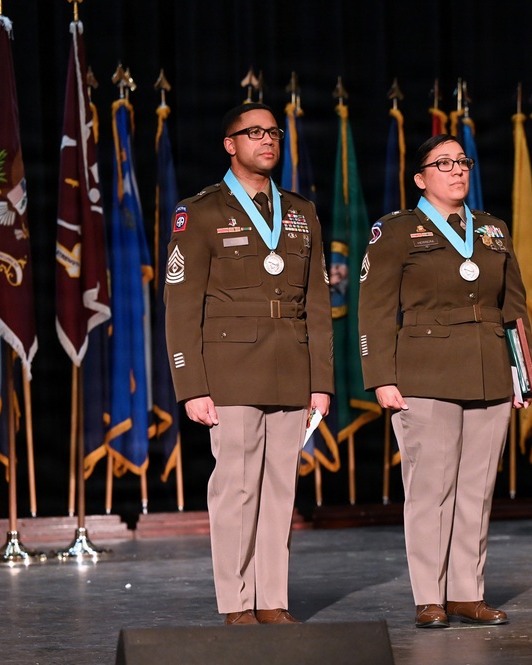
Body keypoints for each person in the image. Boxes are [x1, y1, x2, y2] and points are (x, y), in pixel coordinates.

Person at [164, 102, 334, 625]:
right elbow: (181, 305)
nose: (267, 140)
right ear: (229, 144)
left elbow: (320, 305)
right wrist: (191, 384)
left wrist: (321, 382)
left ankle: (272, 601)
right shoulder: (202, 211)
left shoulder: (301, 212)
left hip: (292, 369)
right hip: (231, 372)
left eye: (273, 132)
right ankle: (237, 604)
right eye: (253, 132)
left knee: (282, 491)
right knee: (236, 490)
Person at [358, 134, 532, 629]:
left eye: (463, 162)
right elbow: (372, 313)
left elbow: (513, 309)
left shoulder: (493, 230)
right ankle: (429, 596)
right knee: (430, 490)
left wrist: (521, 373)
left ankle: (466, 593)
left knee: (477, 490)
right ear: (420, 178)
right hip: (425, 375)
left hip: (490, 374)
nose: (457, 171)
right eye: (444, 163)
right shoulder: (395, 231)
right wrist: (382, 380)